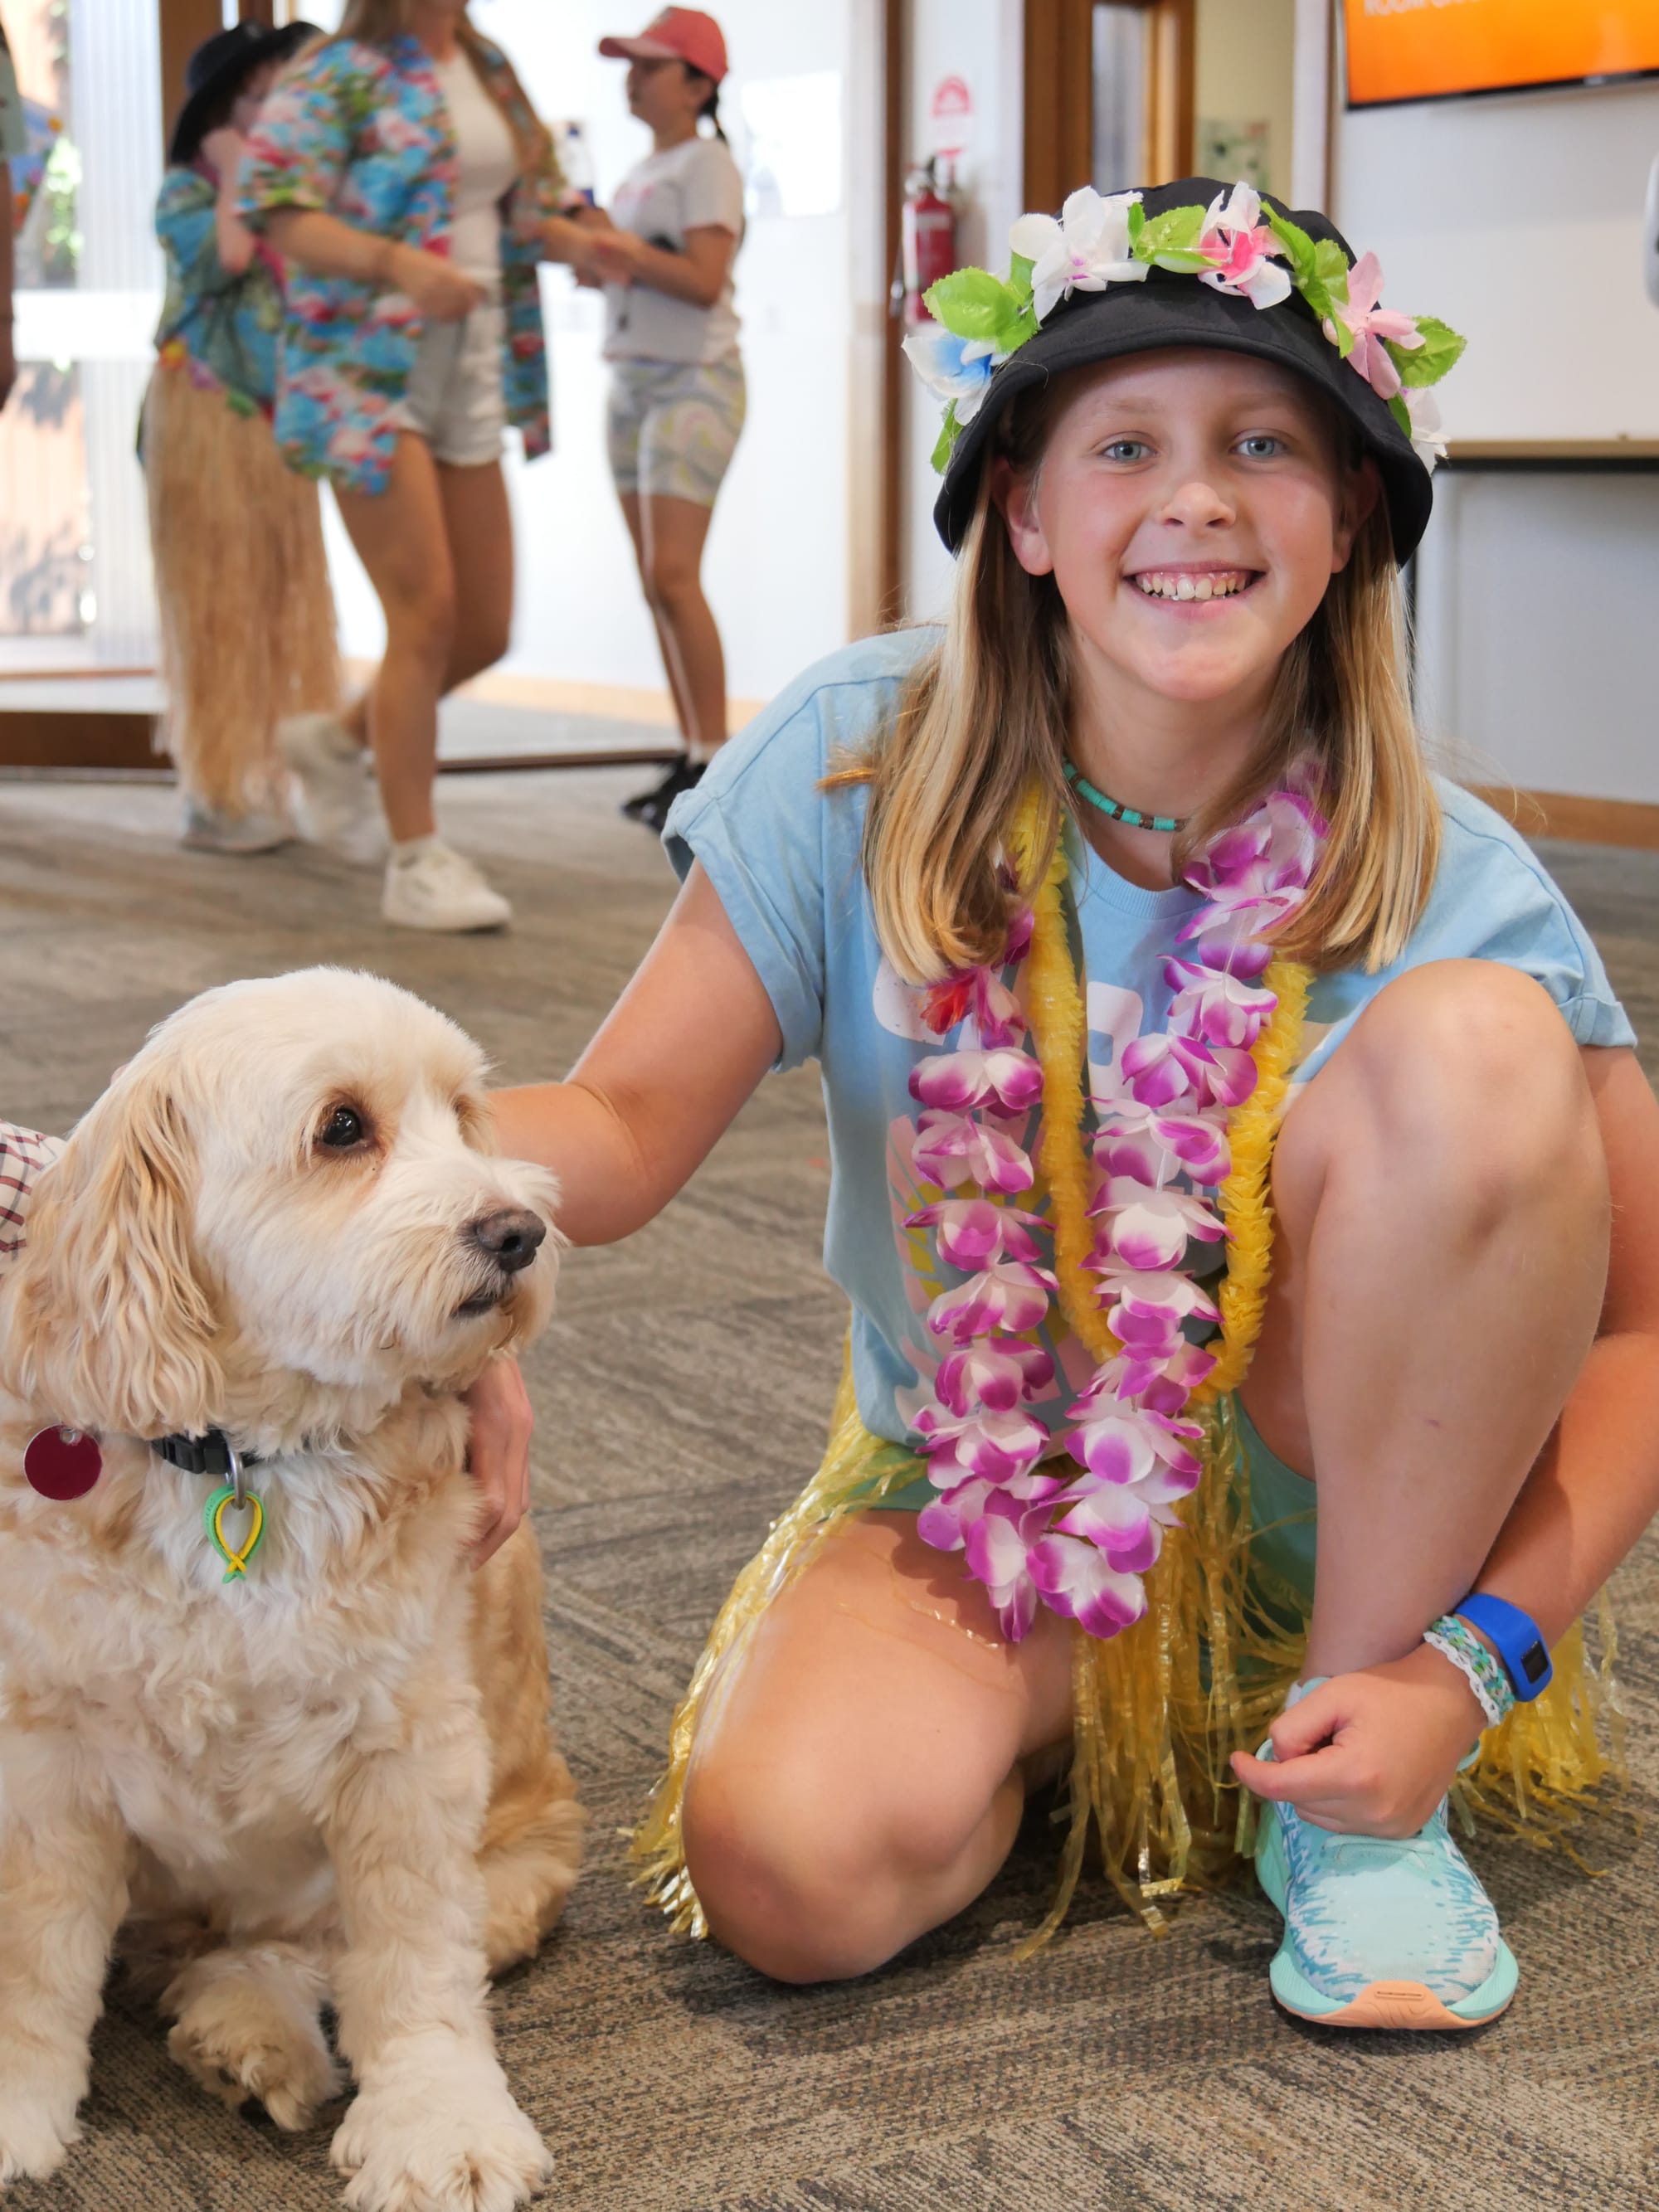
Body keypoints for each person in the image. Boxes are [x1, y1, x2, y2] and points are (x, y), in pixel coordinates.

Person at [474, 174, 1659, 2028]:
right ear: (1021, 510)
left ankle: (1351, 1790)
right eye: (1125, 442)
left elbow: (1643, 1324)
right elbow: (617, 1134)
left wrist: (1469, 1660)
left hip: (1349, 1542)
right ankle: (1071, 1719)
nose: (1193, 496)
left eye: (1263, 441)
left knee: (1477, 1047)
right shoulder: (862, 759)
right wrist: (345, 1165)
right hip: (983, 1490)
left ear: (1348, 515)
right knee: (785, 1866)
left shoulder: (1452, 867)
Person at [238, 1, 591, 931]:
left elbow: (526, 202)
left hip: (471, 363)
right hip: (360, 368)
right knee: (424, 612)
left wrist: (585, 244)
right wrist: (396, 264)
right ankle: (417, 859)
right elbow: (273, 205)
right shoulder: (337, 70)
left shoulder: (486, 61)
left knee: (482, 628)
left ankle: (336, 739)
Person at [140, 19, 340, 856]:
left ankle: (264, 777)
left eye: (278, 90)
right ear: (220, 114)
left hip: (275, 422)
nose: (272, 107)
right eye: (254, 94)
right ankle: (214, 791)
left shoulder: (298, 199)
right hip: (203, 412)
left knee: (279, 602)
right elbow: (225, 255)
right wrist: (232, 170)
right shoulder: (187, 193)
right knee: (216, 603)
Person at [556, 9, 745, 834]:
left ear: (699, 84)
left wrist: (617, 251)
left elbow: (703, 280)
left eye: (650, 66)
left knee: (672, 574)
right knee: (652, 578)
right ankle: (689, 747)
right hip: (631, 380)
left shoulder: (706, 162)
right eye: (629, 65)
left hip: (692, 382)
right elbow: (631, 276)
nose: (631, 78)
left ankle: (712, 759)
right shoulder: (646, 167)